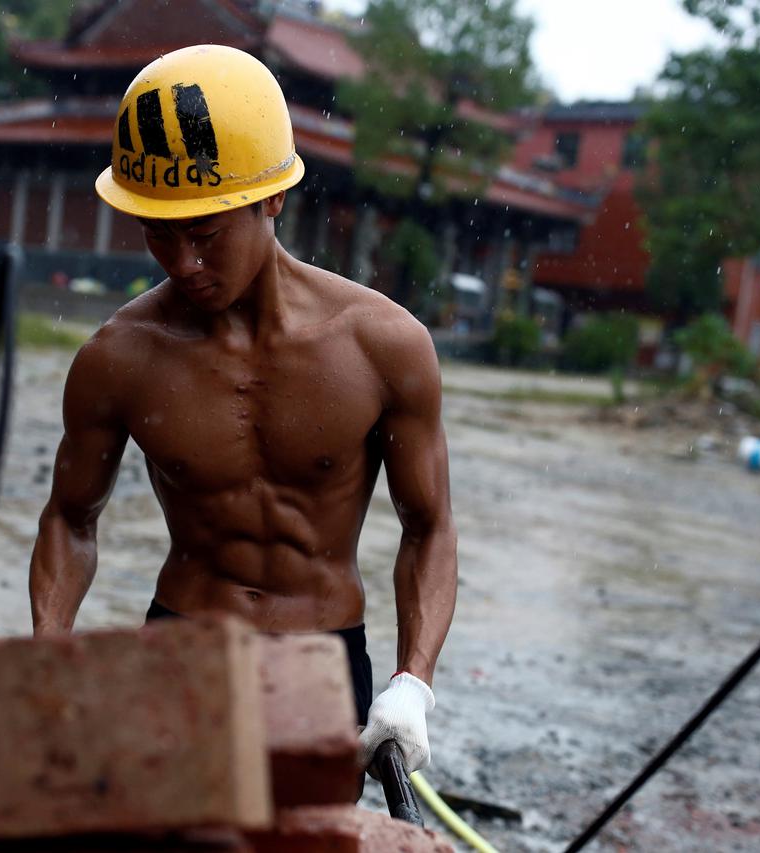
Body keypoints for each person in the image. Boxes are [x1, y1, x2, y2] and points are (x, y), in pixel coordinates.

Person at [28, 44, 457, 784]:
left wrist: (411, 682)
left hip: (321, 663)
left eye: (204, 232)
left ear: (272, 198)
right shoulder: (120, 356)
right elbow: (71, 517)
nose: (182, 261)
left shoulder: (383, 345)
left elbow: (429, 525)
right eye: (159, 231)